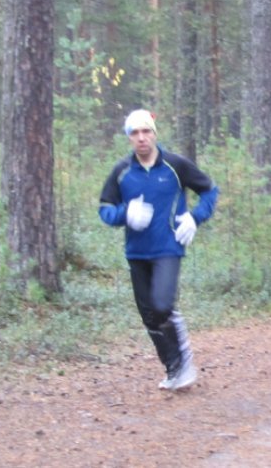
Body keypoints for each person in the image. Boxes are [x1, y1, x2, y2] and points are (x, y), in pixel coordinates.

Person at [98, 109, 219, 391]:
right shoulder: (122, 171)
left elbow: (210, 191)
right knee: (149, 316)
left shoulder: (176, 165)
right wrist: (125, 214)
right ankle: (174, 369)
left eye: (146, 131)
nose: (141, 138)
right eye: (135, 133)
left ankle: (183, 360)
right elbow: (105, 210)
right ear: (128, 138)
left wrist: (195, 217)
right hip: (137, 253)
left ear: (154, 133)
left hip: (168, 248)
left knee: (163, 305)